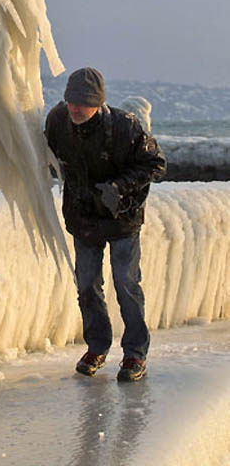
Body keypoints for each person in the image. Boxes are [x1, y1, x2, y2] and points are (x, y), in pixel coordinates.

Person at [45, 67, 166, 381]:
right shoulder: (58, 121)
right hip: (82, 217)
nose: (76, 108)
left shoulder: (125, 126)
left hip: (122, 218)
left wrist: (118, 187)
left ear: (98, 103)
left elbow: (156, 163)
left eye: (84, 102)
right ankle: (97, 347)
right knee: (86, 286)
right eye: (71, 100)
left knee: (126, 285)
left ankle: (135, 354)